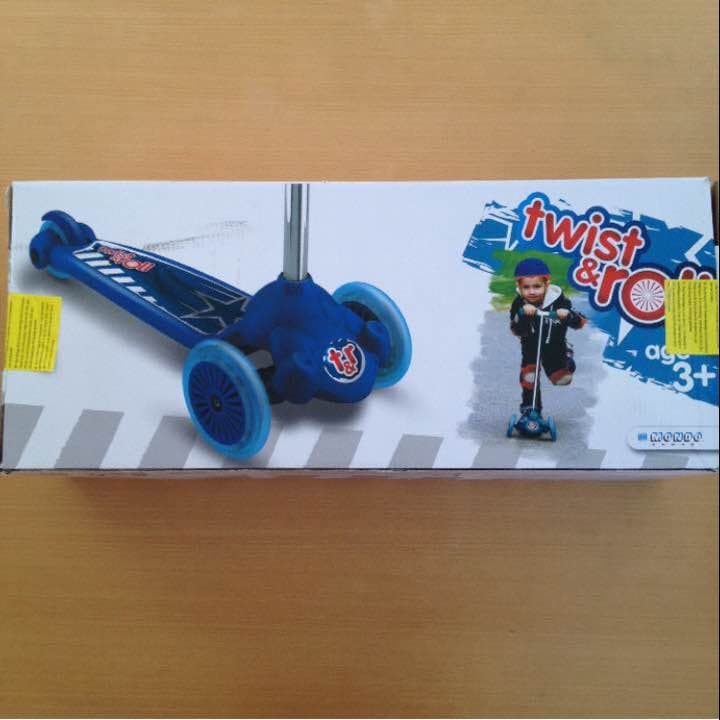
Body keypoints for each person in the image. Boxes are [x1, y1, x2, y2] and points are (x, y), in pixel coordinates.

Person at [510, 258, 586, 415]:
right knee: (529, 376)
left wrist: (568, 315)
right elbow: (516, 329)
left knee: (562, 380)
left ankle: (567, 358)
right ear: (519, 286)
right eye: (526, 287)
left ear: (547, 285)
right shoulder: (519, 303)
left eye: (537, 286)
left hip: (555, 348)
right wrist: (523, 314)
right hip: (530, 348)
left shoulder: (560, 301)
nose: (532, 291)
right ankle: (531, 409)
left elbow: (579, 322)